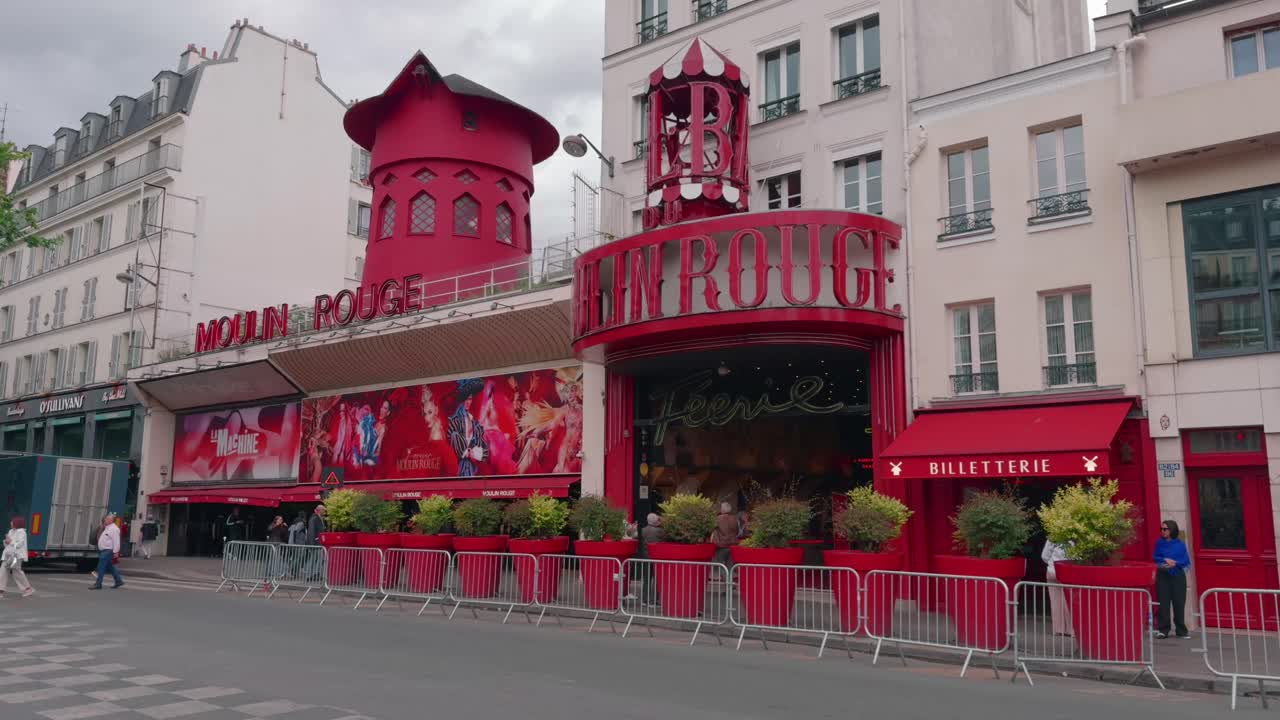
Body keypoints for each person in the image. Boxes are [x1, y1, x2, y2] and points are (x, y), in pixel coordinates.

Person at [1154, 519, 1191, 639]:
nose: (1162, 531)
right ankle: (1163, 630)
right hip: (1163, 576)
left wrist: (1174, 563)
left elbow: (1185, 561)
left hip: (1177, 576)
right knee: (1163, 603)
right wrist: (1165, 560)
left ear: (1172, 530)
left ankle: (1181, 631)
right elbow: (1155, 557)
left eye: (1165, 529)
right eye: (1161, 529)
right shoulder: (1159, 543)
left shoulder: (1180, 544)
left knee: (1179, 603)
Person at [1040, 538, 1072, 637]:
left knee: (1055, 601)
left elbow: (1044, 556)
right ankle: (1071, 630)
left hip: (1052, 570)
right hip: (1068, 571)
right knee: (1069, 600)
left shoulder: (1053, 538)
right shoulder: (1075, 537)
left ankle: (1059, 629)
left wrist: (1052, 562)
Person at [0, 516, 35, 598]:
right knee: (3, 571)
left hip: (16, 556)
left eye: (12, 522)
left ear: (17, 523)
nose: (11, 523)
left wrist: (10, 541)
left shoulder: (22, 532)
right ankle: (0, 590)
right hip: (8, 555)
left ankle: (28, 589)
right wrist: (6, 542)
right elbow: (7, 545)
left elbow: (19, 544)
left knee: (16, 572)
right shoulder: (11, 531)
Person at [90, 513, 124, 590]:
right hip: (104, 550)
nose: (105, 520)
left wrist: (116, 552)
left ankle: (98, 584)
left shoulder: (114, 529)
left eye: (107, 519)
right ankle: (118, 581)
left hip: (108, 550)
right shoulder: (107, 527)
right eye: (106, 518)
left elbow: (116, 541)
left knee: (101, 567)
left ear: (111, 520)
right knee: (110, 567)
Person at [638, 514, 663, 605]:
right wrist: (661, 521)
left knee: (646, 579)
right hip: (656, 557)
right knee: (657, 579)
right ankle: (655, 600)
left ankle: (645, 600)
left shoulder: (643, 530)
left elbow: (634, 536)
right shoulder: (660, 531)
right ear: (656, 521)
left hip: (646, 556)